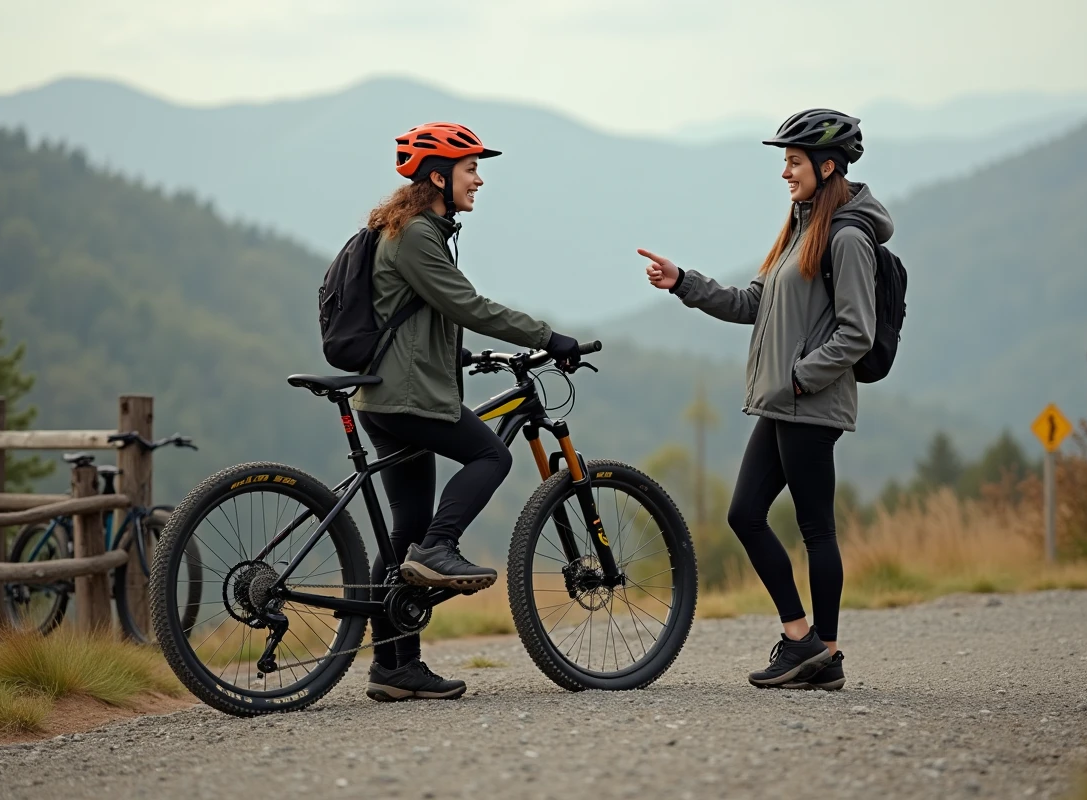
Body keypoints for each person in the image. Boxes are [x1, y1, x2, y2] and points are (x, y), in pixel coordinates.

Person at [638, 109, 893, 691]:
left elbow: (856, 332)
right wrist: (683, 282)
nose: (785, 172)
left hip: (809, 403)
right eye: (785, 161)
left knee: (815, 529)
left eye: (794, 161)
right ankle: (804, 641)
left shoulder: (848, 237)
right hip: (785, 402)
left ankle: (825, 654)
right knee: (745, 514)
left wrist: (800, 379)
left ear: (827, 167)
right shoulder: (802, 229)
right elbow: (752, 303)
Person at [353, 122, 582, 701]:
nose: (478, 180)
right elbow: (466, 304)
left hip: (389, 395)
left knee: (405, 530)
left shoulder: (409, 229)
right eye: (470, 169)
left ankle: (395, 667)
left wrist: (461, 354)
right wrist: (548, 336)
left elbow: (417, 311)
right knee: (491, 455)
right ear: (438, 177)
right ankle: (441, 547)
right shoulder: (416, 234)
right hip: (410, 399)